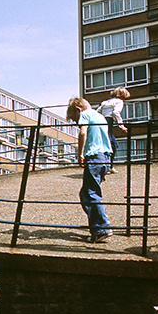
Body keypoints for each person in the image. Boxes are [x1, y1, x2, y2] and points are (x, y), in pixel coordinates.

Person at [67, 97, 113, 243]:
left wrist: (80, 154)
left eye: (74, 118)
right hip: (105, 158)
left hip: (93, 157)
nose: (76, 122)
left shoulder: (86, 114)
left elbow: (82, 132)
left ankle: (102, 229)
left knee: (90, 193)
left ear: (78, 110)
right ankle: (97, 227)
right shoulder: (100, 116)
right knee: (87, 193)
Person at [98, 87, 130, 174]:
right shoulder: (119, 101)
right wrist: (122, 126)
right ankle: (107, 166)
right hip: (109, 122)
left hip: (101, 122)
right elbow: (116, 112)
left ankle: (109, 165)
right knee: (111, 144)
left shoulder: (105, 102)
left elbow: (98, 111)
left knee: (111, 144)